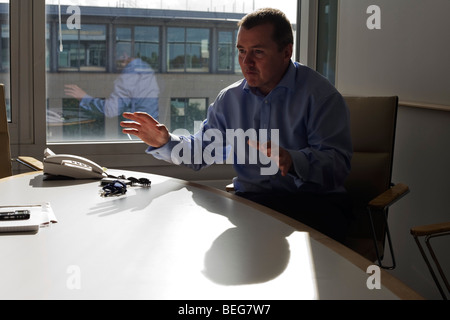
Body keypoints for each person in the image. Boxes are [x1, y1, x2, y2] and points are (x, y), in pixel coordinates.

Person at [120, 8, 353, 243]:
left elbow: (338, 167)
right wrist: (166, 142)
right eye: (241, 51)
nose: (246, 62)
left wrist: (293, 161)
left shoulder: (321, 96)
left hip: (312, 205)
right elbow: (202, 153)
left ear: (286, 52)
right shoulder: (229, 99)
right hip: (254, 204)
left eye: (258, 52)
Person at [65, 52, 160, 137]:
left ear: (124, 56)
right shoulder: (145, 67)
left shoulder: (129, 74)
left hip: (135, 134)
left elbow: (110, 109)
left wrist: (84, 98)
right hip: (150, 131)